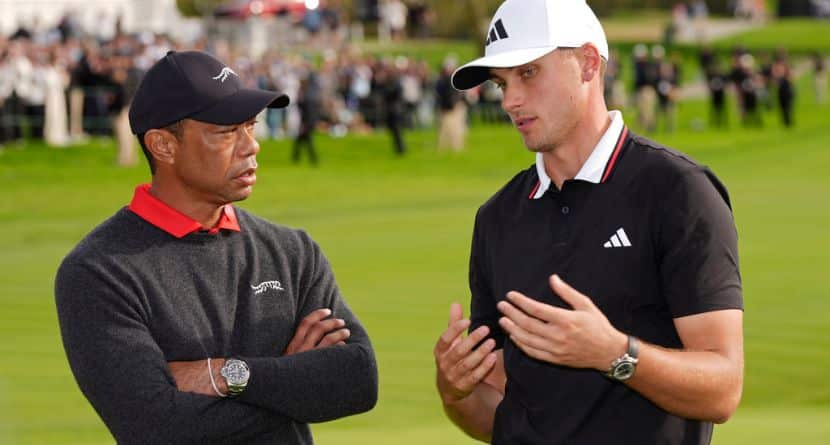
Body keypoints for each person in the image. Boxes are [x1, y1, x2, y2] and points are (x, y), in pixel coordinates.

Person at [434, 1, 744, 444]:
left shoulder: (678, 191)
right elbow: (498, 415)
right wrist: (455, 392)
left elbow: (723, 388)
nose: (510, 100)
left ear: (587, 63)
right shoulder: (497, 218)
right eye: (502, 82)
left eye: (528, 73)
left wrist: (614, 353)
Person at [55, 51, 378, 444]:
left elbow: (358, 380)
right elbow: (154, 428)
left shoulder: (293, 251)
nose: (251, 146)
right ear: (163, 146)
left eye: (251, 126)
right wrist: (289, 381)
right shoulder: (98, 271)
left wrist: (226, 374)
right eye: (227, 132)